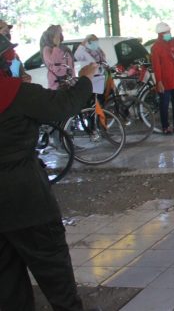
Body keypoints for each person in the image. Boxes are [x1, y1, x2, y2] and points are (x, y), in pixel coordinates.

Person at [0, 34, 99, 311]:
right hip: (27, 200)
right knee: (55, 275)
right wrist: (86, 79)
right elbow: (64, 105)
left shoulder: (17, 91)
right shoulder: (16, 94)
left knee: (7, 287)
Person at [150, 22, 174, 134]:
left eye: (169, 31)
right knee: (164, 104)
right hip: (165, 81)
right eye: (167, 32)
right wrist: (159, 82)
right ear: (160, 34)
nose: (169, 34)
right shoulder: (156, 47)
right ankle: (165, 127)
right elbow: (156, 67)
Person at [74, 34, 108, 100]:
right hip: (90, 79)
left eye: (96, 42)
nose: (96, 44)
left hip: (100, 76)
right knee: (92, 98)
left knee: (100, 98)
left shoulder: (97, 49)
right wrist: (83, 43)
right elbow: (76, 55)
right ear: (88, 42)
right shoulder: (83, 51)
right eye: (94, 42)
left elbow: (103, 58)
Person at [41, 25, 74, 90]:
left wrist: (73, 79)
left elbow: (70, 66)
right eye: (58, 33)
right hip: (57, 86)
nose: (60, 35)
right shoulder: (47, 49)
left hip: (69, 83)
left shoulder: (64, 48)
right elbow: (55, 62)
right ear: (52, 36)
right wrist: (56, 46)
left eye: (61, 33)